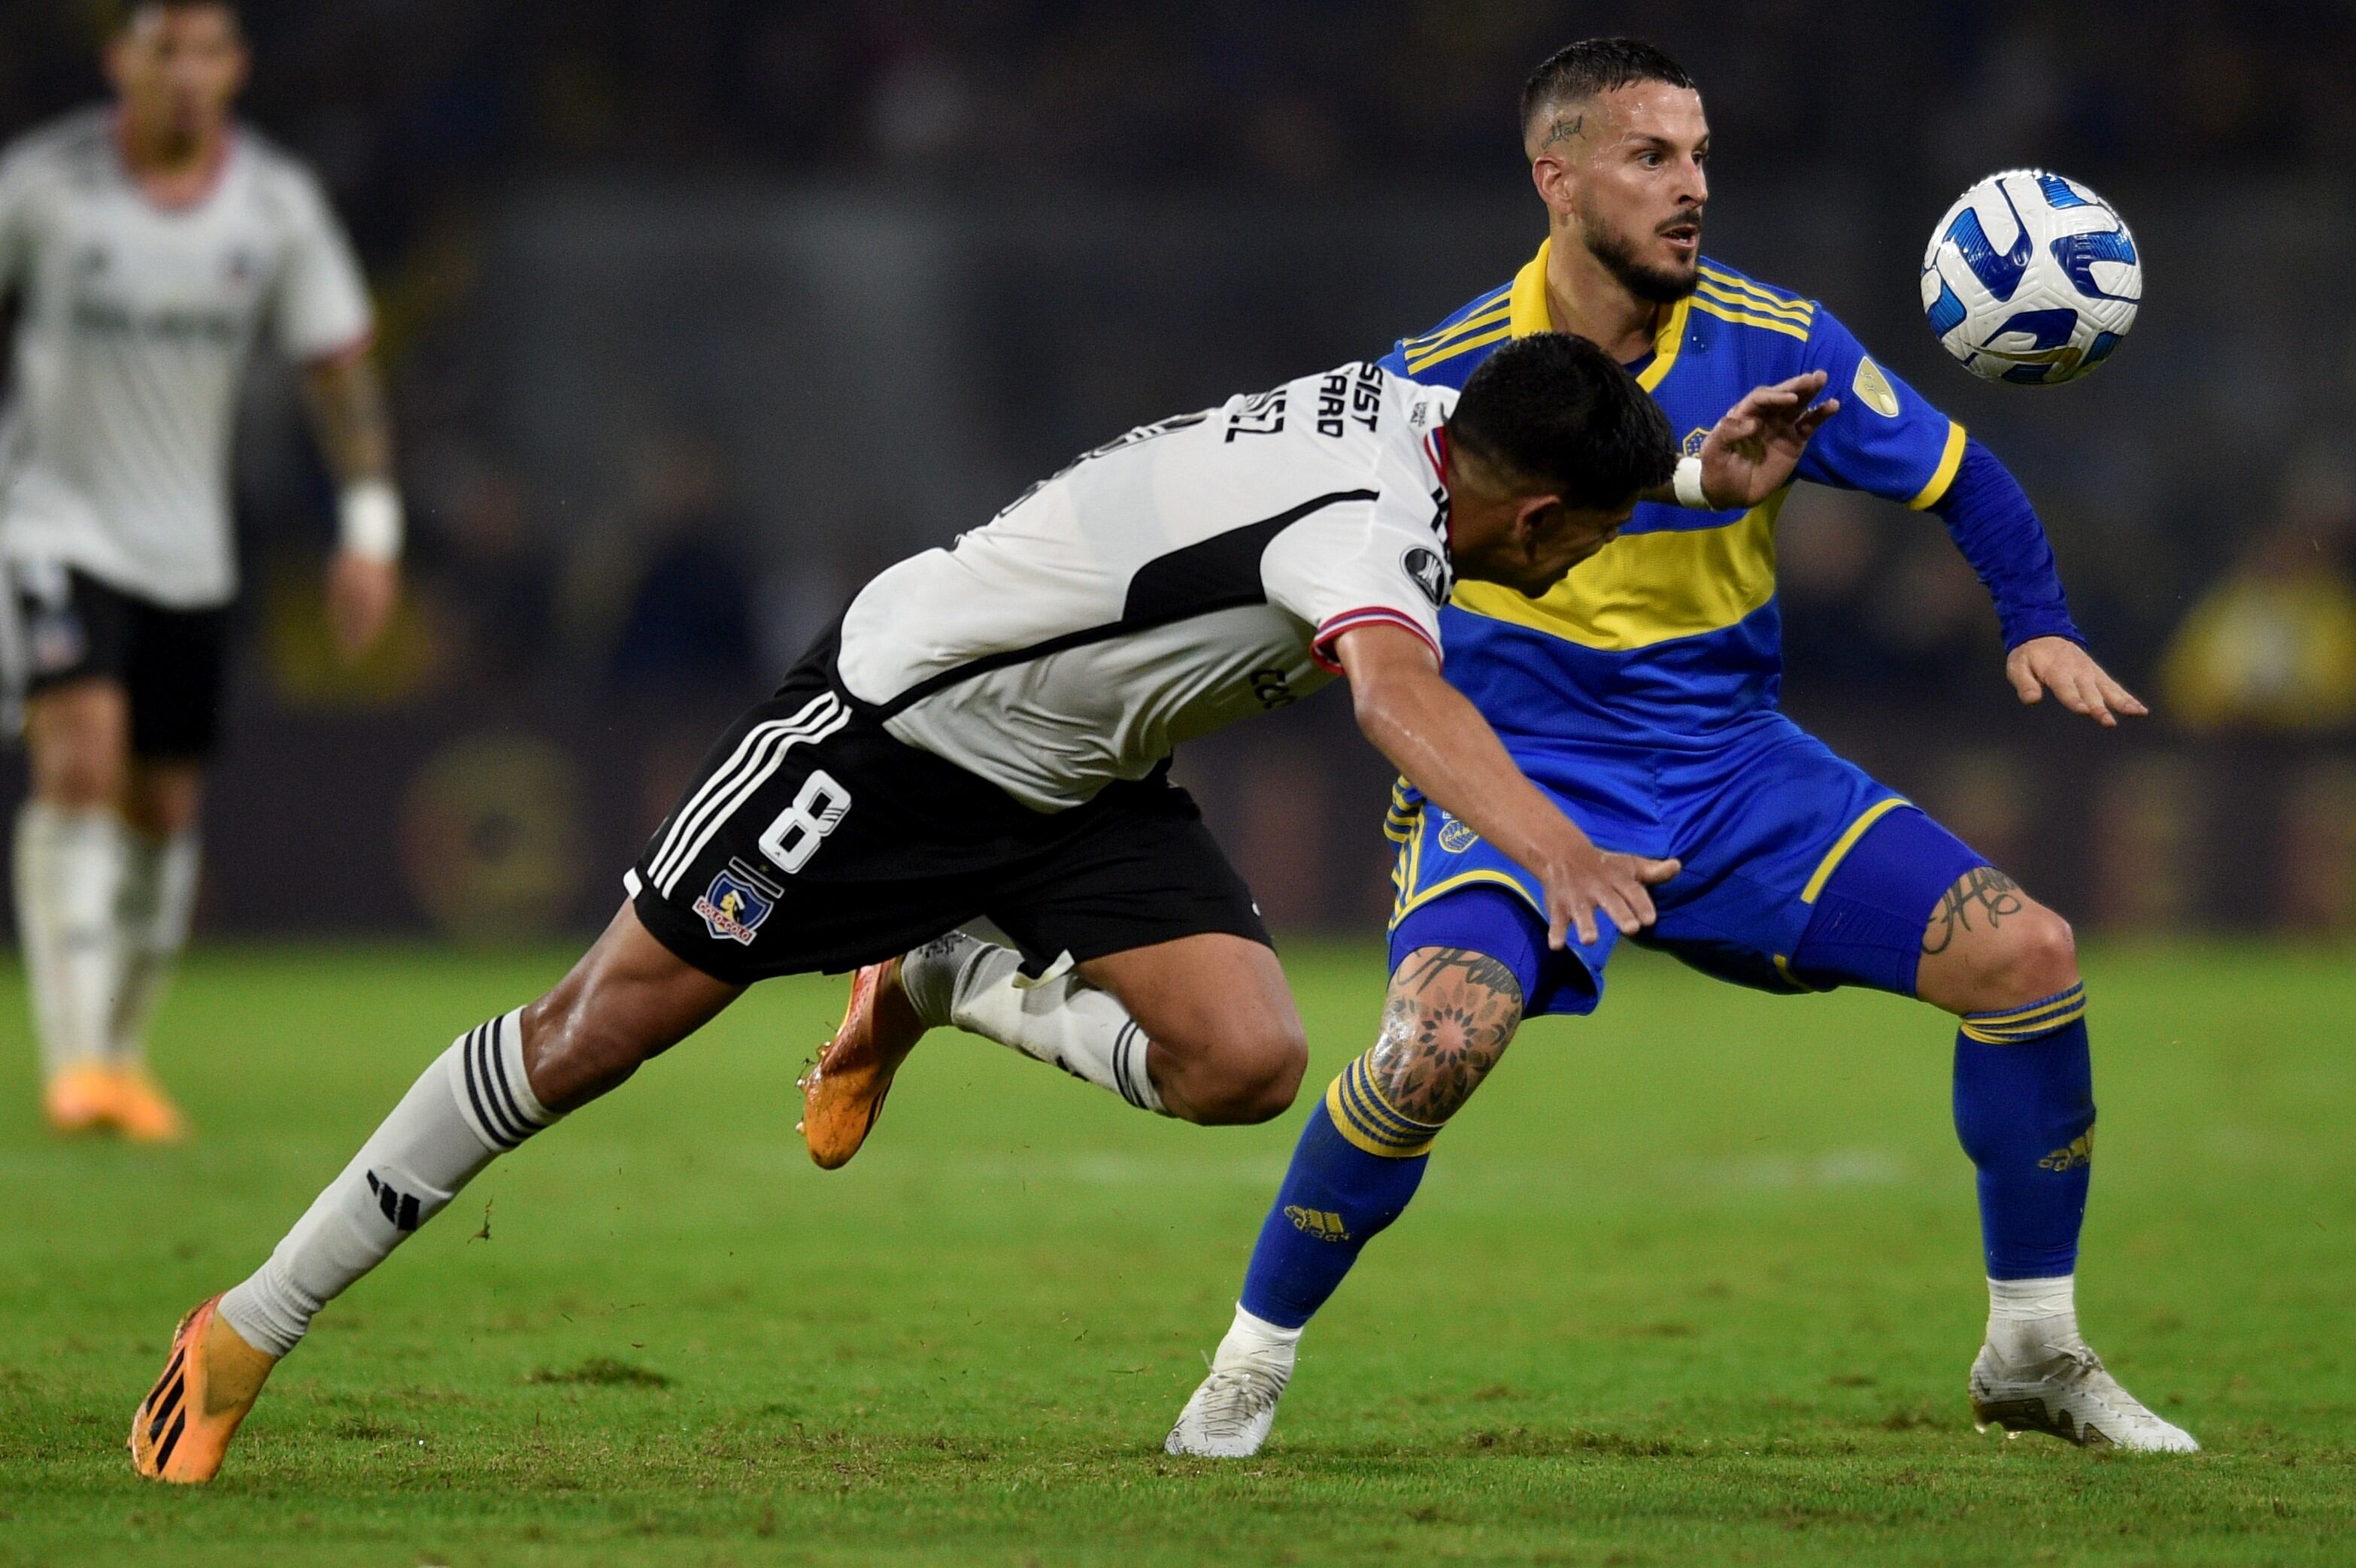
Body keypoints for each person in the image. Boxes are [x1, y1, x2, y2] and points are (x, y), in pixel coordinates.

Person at [127, 335, 1833, 1482]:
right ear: (1526, 509)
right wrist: (1552, 841)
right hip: (895, 731)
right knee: (595, 1031)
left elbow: (1511, 488)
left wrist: (1690, 478)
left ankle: (944, 974)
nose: (1570, 567)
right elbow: (1393, 693)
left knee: (1246, 1056)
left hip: (1075, 781)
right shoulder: (1366, 534)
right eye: (1582, 541)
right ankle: (246, 1323)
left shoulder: (1419, 402)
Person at [1166, 38, 2197, 1459]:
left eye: (1701, 155)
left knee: (2028, 955)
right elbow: (1336, 553)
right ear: (1557, 176)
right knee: (1433, 1047)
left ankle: (2031, 1349)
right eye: (1652, 156)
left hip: (1732, 765)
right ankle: (1244, 1367)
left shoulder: (1780, 337)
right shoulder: (1446, 376)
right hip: (1518, 771)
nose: (1691, 186)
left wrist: (2036, 621)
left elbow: (1963, 474)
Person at [0, 0, 402, 1140]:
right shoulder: (40, 187)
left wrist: (368, 531)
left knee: (164, 807)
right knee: (77, 758)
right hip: (51, 523)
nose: (182, 71)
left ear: (235, 67)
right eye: (159, 47)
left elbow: (340, 373)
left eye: (204, 49)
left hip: (189, 548)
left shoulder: (273, 206)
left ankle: (122, 1056)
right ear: (118, 60)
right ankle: (73, 1061)